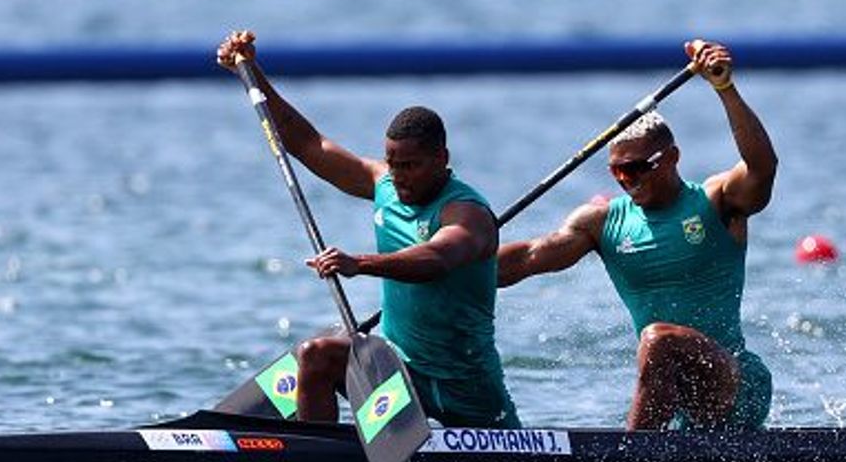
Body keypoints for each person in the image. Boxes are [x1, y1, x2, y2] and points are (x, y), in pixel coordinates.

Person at [217, 30, 520, 429]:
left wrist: (360, 263)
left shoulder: (467, 213)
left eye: (409, 165)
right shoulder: (384, 185)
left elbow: (438, 258)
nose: (398, 176)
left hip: (467, 385)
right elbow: (308, 143)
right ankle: (318, 461)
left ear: (441, 158)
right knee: (315, 354)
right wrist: (251, 73)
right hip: (398, 371)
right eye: (392, 163)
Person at [497, 39, 776, 431]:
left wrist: (725, 89)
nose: (627, 180)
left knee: (658, 339)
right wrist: (452, 268)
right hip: (677, 400)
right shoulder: (601, 222)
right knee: (658, 344)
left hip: (736, 382)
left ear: (673, 158)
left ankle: (629, 458)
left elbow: (762, 169)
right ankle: (641, 459)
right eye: (618, 172)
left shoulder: (717, 201)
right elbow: (527, 257)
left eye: (638, 168)